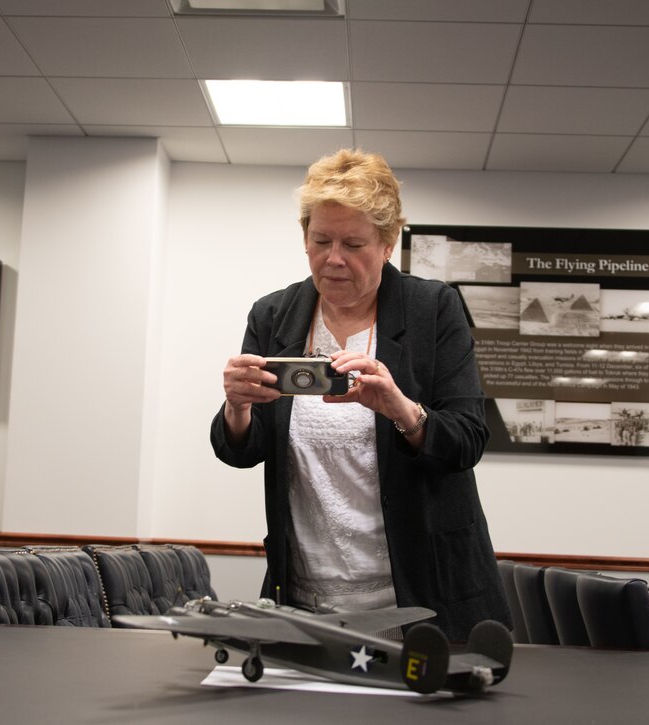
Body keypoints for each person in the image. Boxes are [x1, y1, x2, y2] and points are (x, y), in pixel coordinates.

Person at [211, 148, 509, 642]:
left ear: (389, 243)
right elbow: (245, 449)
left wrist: (400, 408)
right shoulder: (273, 316)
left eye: (353, 243)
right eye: (320, 240)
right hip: (306, 596)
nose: (333, 259)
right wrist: (237, 406)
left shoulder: (433, 309)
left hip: (422, 595)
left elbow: (468, 440)